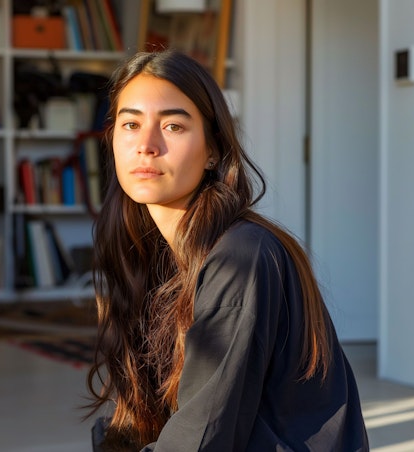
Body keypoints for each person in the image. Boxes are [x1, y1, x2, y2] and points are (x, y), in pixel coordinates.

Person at [86, 49, 369, 452]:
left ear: (214, 150)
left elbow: (203, 436)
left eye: (173, 126)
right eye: (131, 124)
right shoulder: (153, 256)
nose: (146, 145)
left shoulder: (241, 254)